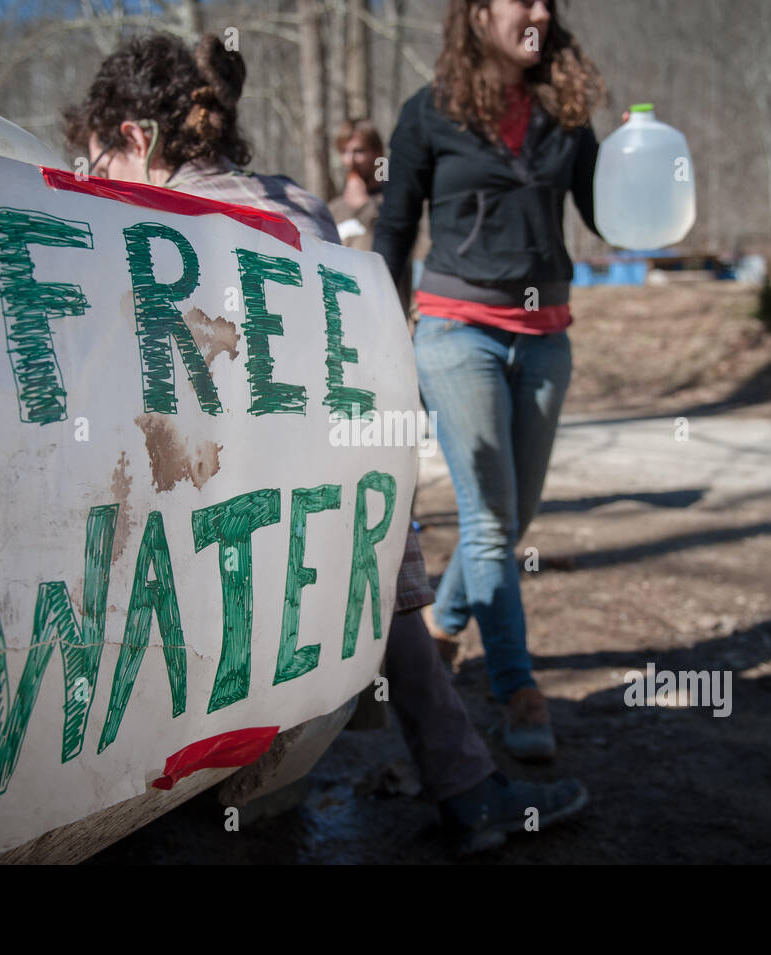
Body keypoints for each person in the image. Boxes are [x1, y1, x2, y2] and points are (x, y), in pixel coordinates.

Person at [63, 31, 588, 854]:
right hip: (334, 522)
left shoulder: (142, 226)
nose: (95, 184)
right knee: (365, 560)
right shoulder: (297, 206)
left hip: (217, 524)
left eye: (99, 163)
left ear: (136, 139)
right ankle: (463, 788)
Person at [373, 0, 607, 760]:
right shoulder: (429, 113)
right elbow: (396, 231)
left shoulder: (564, 116)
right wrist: (380, 341)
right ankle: (517, 689)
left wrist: (649, 165)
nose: (538, 10)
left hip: (546, 339)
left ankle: (441, 626)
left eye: (547, 0)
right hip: (455, 330)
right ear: (477, 15)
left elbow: (610, 217)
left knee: (515, 516)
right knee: (491, 522)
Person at [327, 119, 386, 251]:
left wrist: (364, 206)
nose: (350, 161)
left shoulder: (391, 202)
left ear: (377, 152)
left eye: (359, 151)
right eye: (344, 152)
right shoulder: (334, 209)